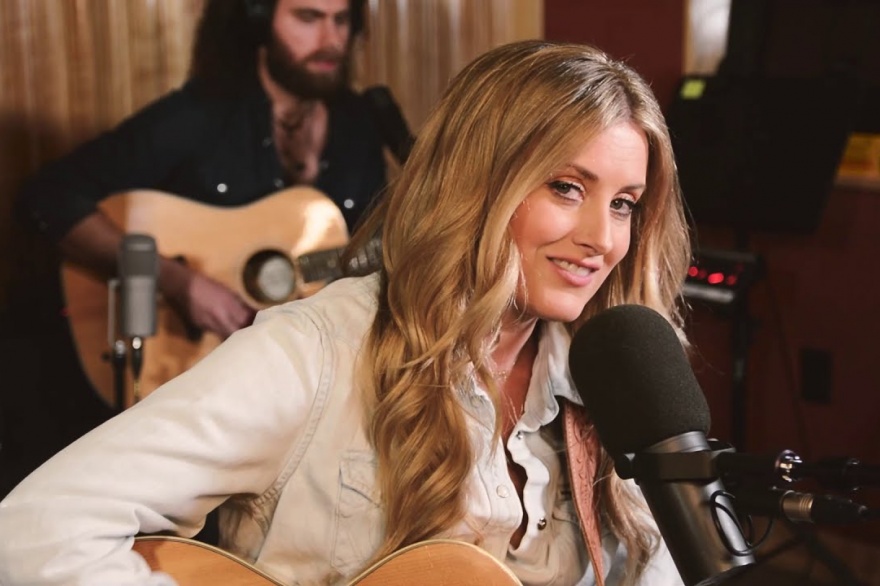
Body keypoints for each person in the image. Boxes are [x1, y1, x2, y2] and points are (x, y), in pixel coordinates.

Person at [0, 40, 692, 585]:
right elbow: (34, 531)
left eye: (624, 204)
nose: (602, 238)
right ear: (477, 183)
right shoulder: (313, 355)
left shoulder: (619, 385)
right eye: (567, 187)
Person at [0, 0, 389, 498]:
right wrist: (179, 282)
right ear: (259, 20)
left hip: (297, 393)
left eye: (341, 20)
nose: (331, 39)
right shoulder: (200, 116)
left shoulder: (361, 125)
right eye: (308, 18)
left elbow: (360, 256)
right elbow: (48, 196)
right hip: (188, 384)